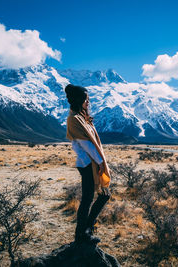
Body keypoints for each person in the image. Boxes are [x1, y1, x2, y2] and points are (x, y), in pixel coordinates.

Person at [65, 84, 111, 244]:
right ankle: (83, 233)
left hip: (91, 163)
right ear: (79, 100)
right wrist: (101, 163)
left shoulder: (81, 117)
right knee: (89, 199)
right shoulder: (74, 119)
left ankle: (86, 230)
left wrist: (100, 163)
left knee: (96, 197)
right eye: (86, 99)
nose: (88, 102)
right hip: (87, 164)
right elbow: (87, 145)